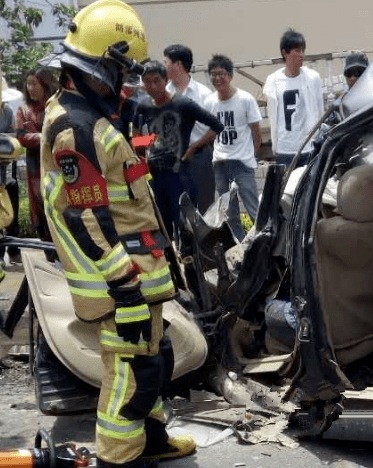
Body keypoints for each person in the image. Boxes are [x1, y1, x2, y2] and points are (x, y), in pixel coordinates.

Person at [40, 1, 196, 467]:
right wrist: (125, 288)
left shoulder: (87, 114)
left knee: (154, 360)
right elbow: (85, 217)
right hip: (120, 282)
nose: (123, 82)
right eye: (119, 69)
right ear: (99, 64)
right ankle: (117, 456)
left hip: (137, 273)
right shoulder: (75, 125)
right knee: (130, 374)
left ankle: (151, 438)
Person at [134, 60, 224, 241]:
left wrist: (193, 147)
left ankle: (192, 264)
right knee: (162, 227)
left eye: (156, 80)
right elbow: (136, 140)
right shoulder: (143, 106)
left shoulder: (184, 104)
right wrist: (148, 144)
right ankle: (170, 264)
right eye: (147, 82)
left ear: (166, 80)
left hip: (181, 174)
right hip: (157, 175)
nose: (151, 86)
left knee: (186, 226)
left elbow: (217, 125)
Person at [206, 54, 262, 240]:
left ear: (230, 75)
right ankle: (239, 247)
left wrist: (252, 155)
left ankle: (264, 242)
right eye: (213, 75)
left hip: (242, 163)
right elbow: (209, 133)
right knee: (229, 213)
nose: (217, 78)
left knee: (254, 208)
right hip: (220, 164)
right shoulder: (209, 102)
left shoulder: (245, 99)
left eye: (221, 74)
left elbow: (256, 131)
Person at [163, 44, 216, 213]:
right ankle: (182, 239)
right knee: (179, 208)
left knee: (205, 207)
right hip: (173, 159)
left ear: (178, 65)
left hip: (200, 158)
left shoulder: (203, 94)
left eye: (166, 63)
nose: (163, 67)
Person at [263, 29, 323, 168]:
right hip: (285, 148)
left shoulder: (312, 77)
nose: (301, 55)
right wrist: (275, 146)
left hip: (309, 146)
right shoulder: (274, 81)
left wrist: (317, 138)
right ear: (285, 53)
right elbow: (273, 115)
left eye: (302, 50)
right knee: (287, 188)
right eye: (297, 50)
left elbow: (320, 111)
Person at [15, 67, 57, 250]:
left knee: (58, 205)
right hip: (35, 165)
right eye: (28, 84)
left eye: (34, 83)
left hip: (56, 163)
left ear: (45, 85)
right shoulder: (23, 110)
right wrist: (43, 137)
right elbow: (21, 137)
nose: (30, 88)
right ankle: (49, 252)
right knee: (39, 209)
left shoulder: (56, 106)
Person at [0, 82, 20, 266]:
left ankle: (8, 252)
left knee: (5, 214)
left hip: (2, 170)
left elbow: (12, 137)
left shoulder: (7, 111)